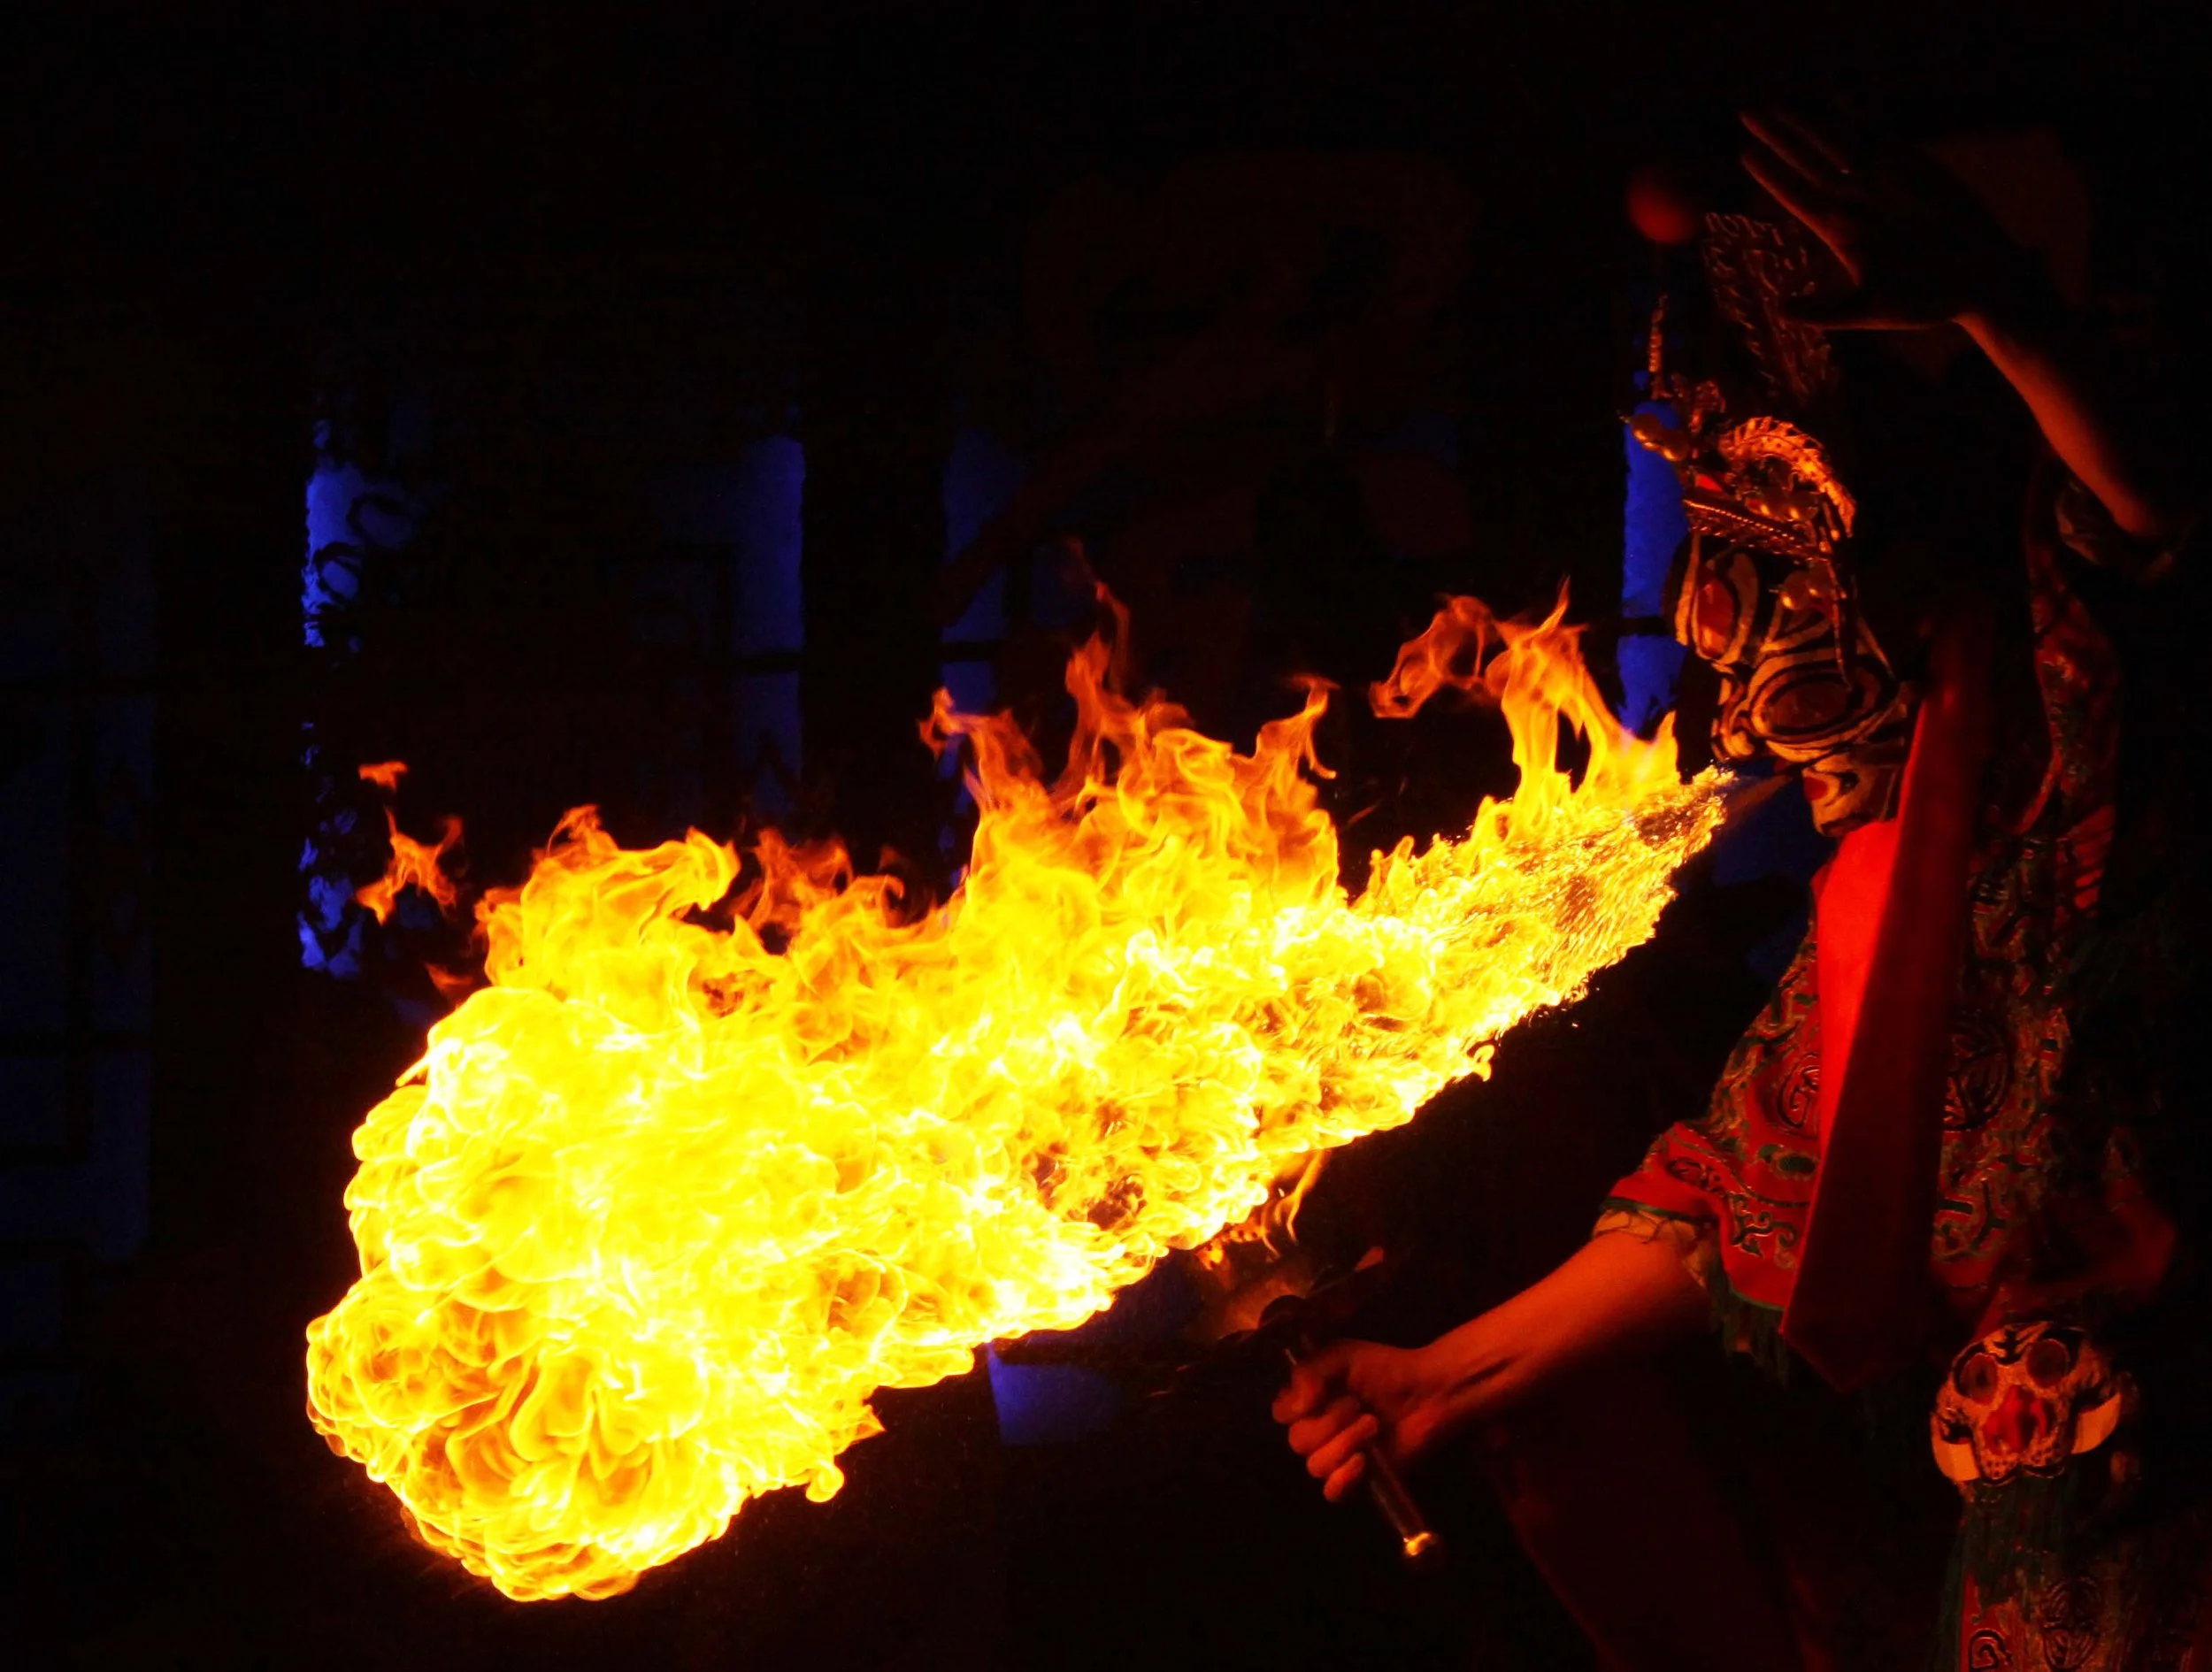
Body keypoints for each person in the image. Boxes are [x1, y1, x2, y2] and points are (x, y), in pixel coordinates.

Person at [1276, 109, 2208, 1671]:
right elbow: (1724, 1200)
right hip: (2035, 1580)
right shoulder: (1899, 901)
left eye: (1796, 603)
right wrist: (1441, 1376)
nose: (1761, 707)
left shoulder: (2144, 774)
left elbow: (2160, 516)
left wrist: (1999, 310)